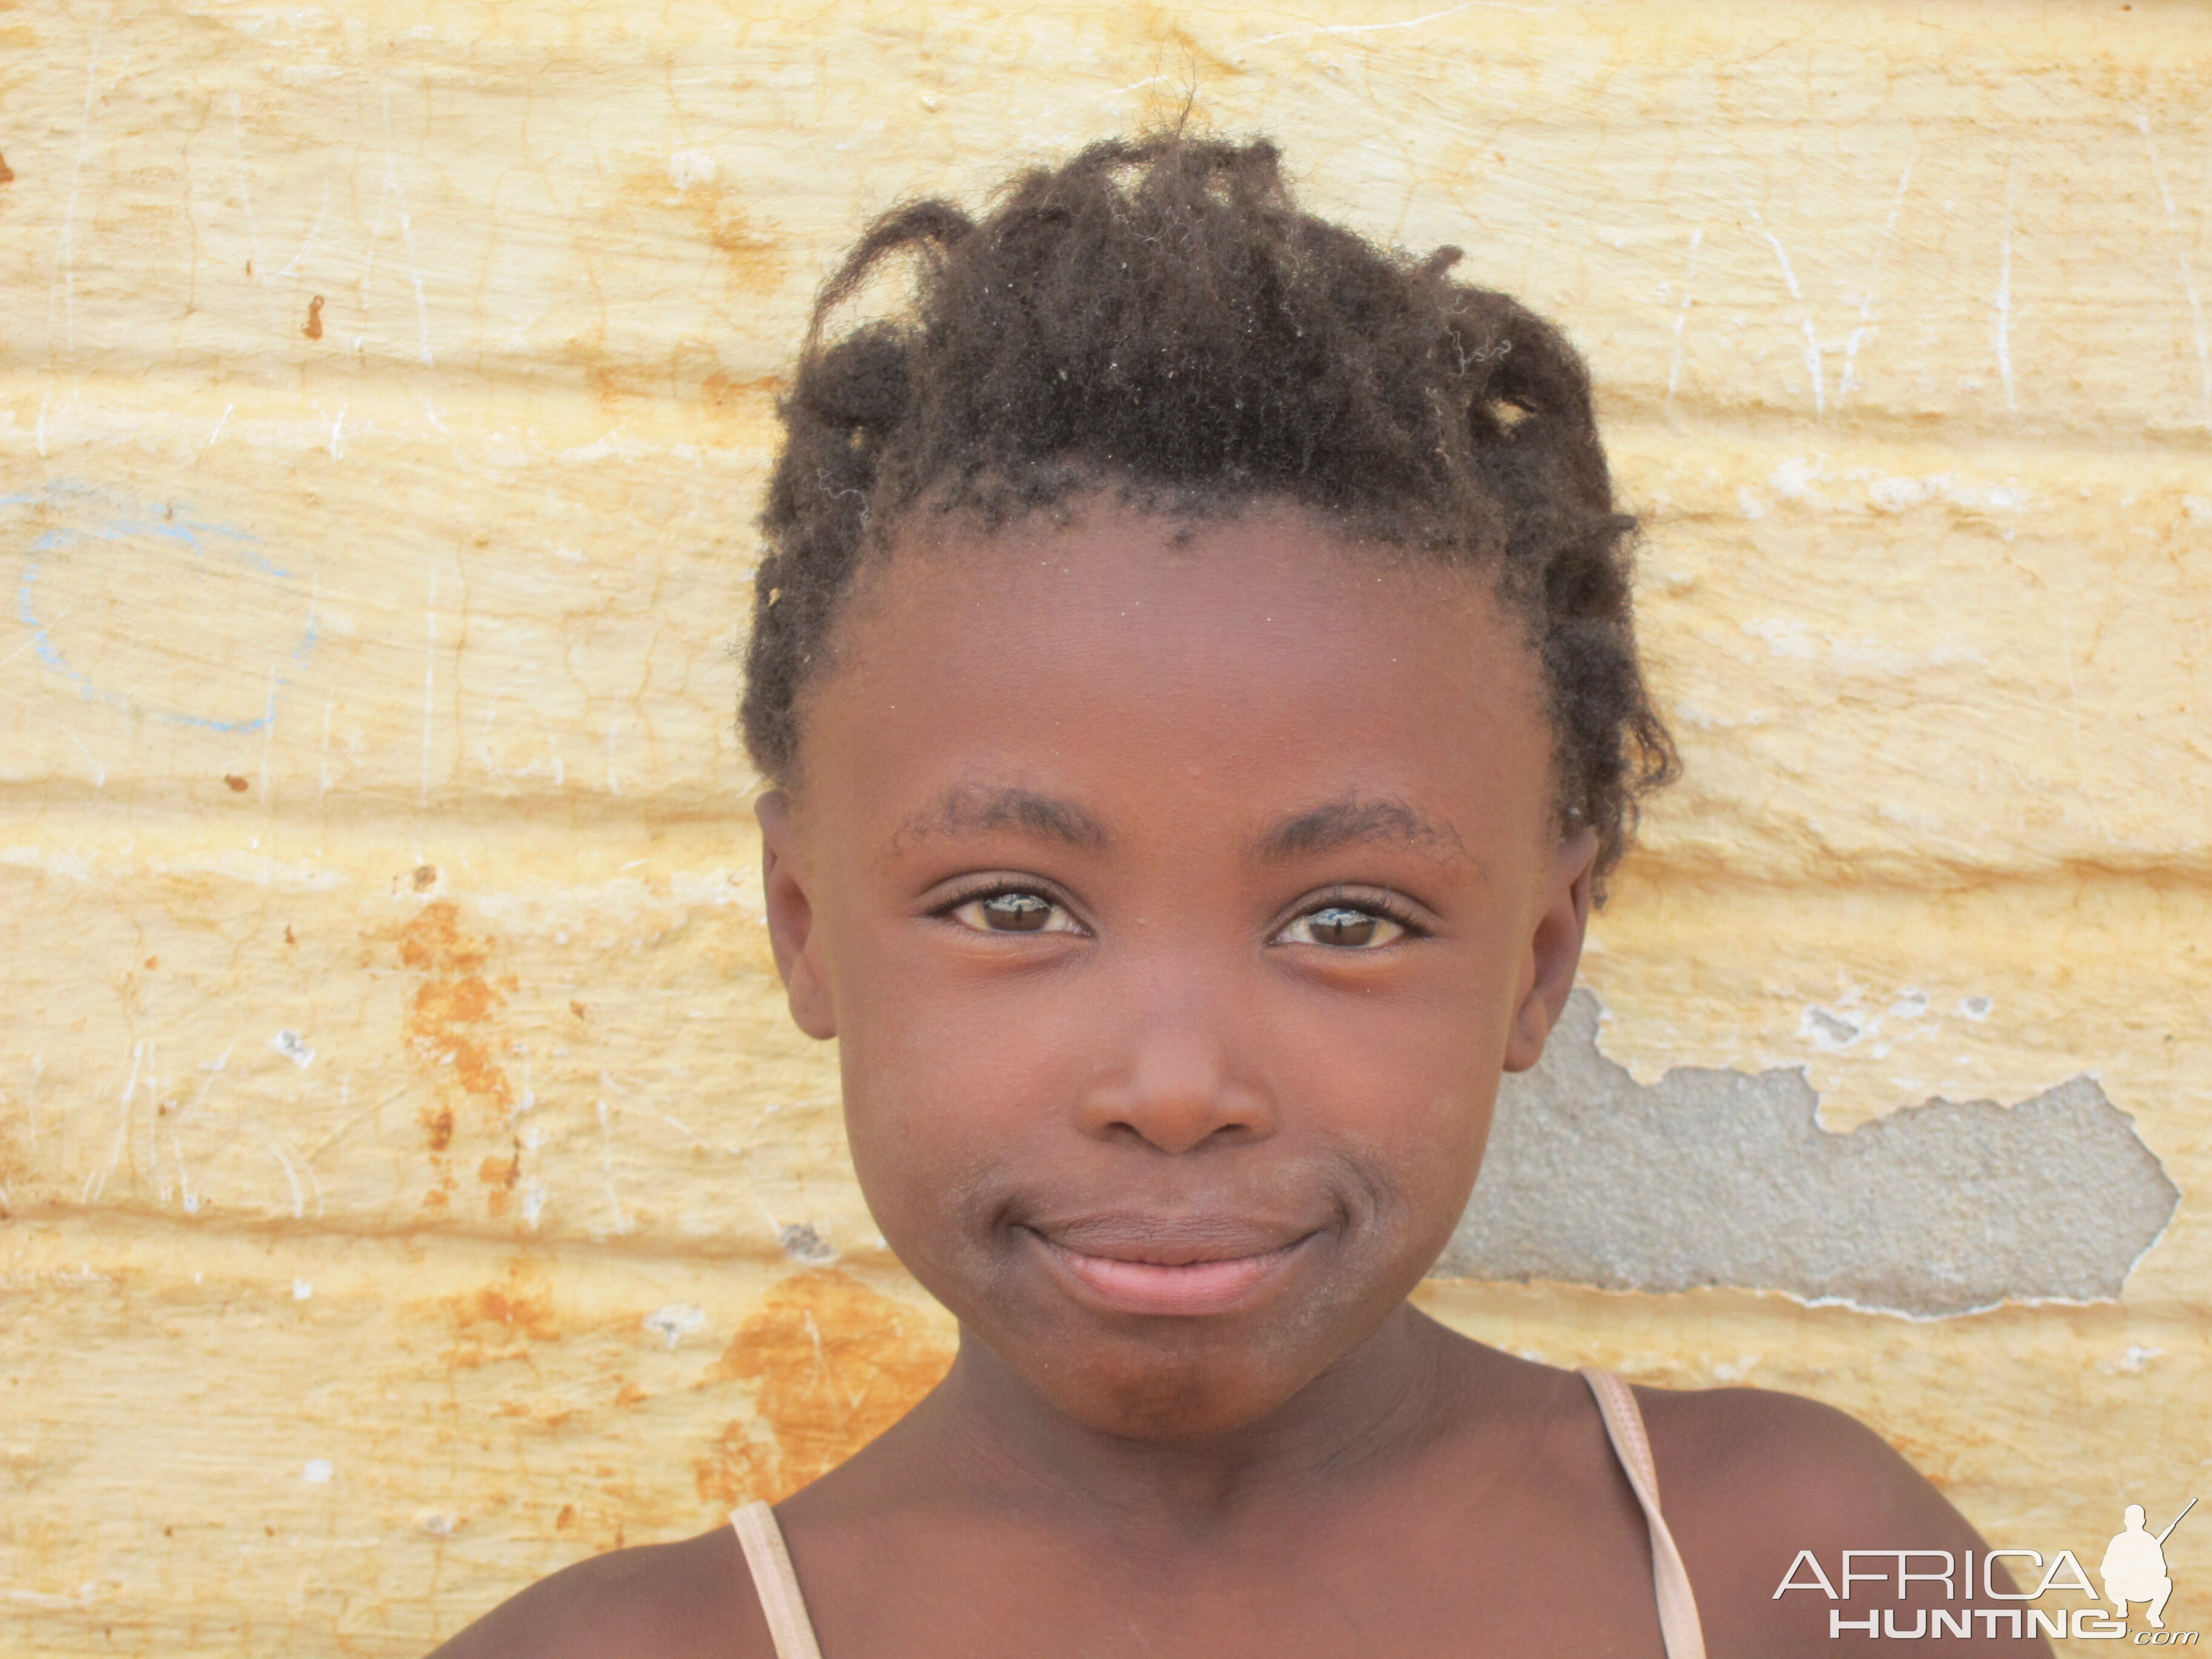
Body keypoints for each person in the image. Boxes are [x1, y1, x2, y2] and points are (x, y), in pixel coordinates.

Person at [431, 135, 2049, 1657]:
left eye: (1347, 923)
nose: (1180, 1089)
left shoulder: (1790, 1573)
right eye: (1012, 906)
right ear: (804, 923)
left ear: (1541, 962)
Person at [2102, 1504, 2175, 1628]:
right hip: (2122, 1588)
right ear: (2126, 1521)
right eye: (2131, 1519)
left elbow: (2162, 1570)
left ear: (2143, 1521)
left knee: (2166, 1583)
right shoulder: (2118, 1540)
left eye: (2136, 1520)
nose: (2134, 1523)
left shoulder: (2150, 1541)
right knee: (2110, 1583)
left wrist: (2145, 1570)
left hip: (2143, 1588)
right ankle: (2121, 1605)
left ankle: (2153, 1614)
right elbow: (2105, 1569)